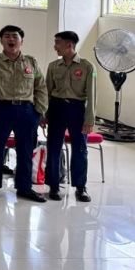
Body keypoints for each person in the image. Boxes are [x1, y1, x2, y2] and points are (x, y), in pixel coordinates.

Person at [0, 25, 48, 203]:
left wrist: (39, 111)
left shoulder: (31, 62)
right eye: (7, 36)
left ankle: (24, 187)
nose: (11, 39)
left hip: (26, 110)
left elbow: (41, 87)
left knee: (26, 150)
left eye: (15, 36)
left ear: (21, 41)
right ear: (1, 40)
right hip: (1, 109)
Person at [45, 30, 95, 202]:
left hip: (77, 109)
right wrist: (44, 114)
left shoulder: (87, 66)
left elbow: (92, 95)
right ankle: (53, 185)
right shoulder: (53, 66)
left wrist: (89, 119)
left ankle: (81, 187)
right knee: (54, 147)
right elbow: (47, 92)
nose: (55, 47)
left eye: (57, 43)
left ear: (69, 45)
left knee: (80, 149)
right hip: (56, 108)